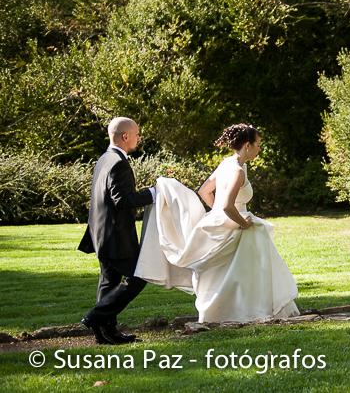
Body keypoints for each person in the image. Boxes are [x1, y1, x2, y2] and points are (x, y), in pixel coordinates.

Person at [135, 123, 299, 323]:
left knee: (226, 274)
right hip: (235, 223)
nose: (259, 149)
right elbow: (229, 206)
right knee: (247, 271)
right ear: (247, 145)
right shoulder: (238, 170)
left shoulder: (226, 164)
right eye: (258, 144)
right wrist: (243, 223)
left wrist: (216, 213)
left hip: (220, 221)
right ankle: (249, 310)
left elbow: (205, 191)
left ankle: (222, 312)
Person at [78, 117, 155, 345]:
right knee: (139, 277)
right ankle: (95, 317)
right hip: (116, 237)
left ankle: (105, 333)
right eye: (137, 134)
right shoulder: (118, 163)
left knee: (109, 282)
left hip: (100, 234)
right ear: (125, 136)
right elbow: (123, 200)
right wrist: (153, 193)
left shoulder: (104, 158)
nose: (138, 138)